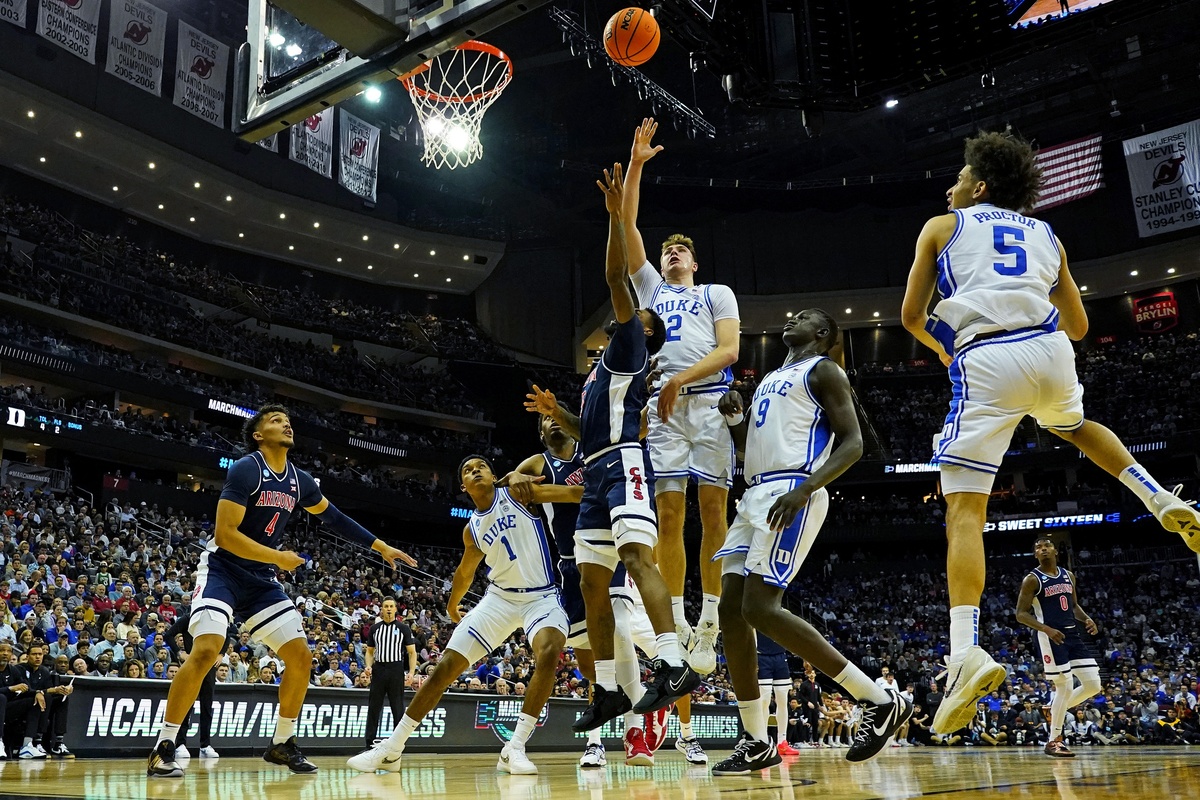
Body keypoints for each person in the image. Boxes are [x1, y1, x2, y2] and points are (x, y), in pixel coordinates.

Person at [899, 130, 1200, 736]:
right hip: (1049, 349)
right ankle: (1158, 496)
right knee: (1076, 425)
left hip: (987, 358)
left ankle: (964, 653)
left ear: (979, 186)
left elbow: (911, 317)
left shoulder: (941, 226)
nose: (951, 186)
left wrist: (948, 345)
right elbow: (1081, 326)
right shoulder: (1048, 234)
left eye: (959, 177)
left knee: (964, 510)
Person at [147, 404, 415, 778]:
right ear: (258, 435)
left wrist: (380, 546)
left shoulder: (299, 480)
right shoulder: (246, 468)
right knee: (207, 649)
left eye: (288, 421)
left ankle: (282, 743)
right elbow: (225, 534)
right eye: (276, 421)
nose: (286, 424)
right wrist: (277, 556)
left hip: (260, 580)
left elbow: (334, 517)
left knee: (301, 657)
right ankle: (164, 746)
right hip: (223, 570)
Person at [529, 163, 698, 734]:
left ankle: (672, 662)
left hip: (625, 463)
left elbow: (613, 277)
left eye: (637, 313)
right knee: (590, 579)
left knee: (636, 559)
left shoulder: (630, 343)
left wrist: (614, 219)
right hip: (596, 465)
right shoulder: (601, 370)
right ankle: (606, 690)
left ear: (645, 330)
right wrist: (558, 413)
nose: (627, 312)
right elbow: (587, 430)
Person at [710, 309, 912, 775]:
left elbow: (854, 443)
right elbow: (750, 450)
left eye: (804, 317)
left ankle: (879, 700)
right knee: (731, 611)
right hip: (755, 492)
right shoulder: (770, 378)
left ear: (822, 333)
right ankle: (756, 740)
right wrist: (737, 420)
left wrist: (804, 490)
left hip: (792, 489)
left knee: (760, 608)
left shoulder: (824, 370)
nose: (791, 319)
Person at [347, 455, 577, 775]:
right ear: (464, 487)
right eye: (468, 470)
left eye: (481, 466)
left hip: (542, 596)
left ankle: (514, 747)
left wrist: (606, 489)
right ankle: (392, 749)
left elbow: (572, 494)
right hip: (499, 599)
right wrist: (452, 606)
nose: (475, 471)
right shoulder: (473, 529)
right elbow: (465, 572)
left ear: (494, 475)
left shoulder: (518, 492)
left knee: (550, 651)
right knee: (445, 667)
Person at [622, 119, 740, 674]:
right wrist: (637, 165)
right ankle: (675, 619)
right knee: (669, 517)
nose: (671, 254)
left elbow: (729, 351)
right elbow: (627, 224)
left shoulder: (716, 292)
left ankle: (710, 619)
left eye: (679, 251)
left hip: (709, 402)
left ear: (694, 263)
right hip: (665, 411)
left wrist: (676, 378)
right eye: (667, 249)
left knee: (713, 512)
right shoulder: (651, 288)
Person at [1014, 534, 1101, 758]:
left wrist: (1087, 619)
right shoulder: (1032, 579)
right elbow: (1021, 614)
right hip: (1050, 637)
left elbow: (1074, 606)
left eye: (1047, 545)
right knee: (1065, 686)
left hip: (1072, 635)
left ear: (1055, 551)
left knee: (1093, 684)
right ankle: (1054, 740)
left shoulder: (1068, 575)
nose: (1043, 549)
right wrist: (1046, 629)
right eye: (1039, 547)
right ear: (1035, 554)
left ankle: (1053, 709)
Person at [165, 610, 234, 760]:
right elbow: (168, 635)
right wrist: (180, 653)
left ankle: (205, 745)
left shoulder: (215, 618)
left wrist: (221, 654)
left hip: (209, 668)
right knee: (186, 706)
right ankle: (180, 744)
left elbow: (226, 635)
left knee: (207, 707)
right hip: (192, 666)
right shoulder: (188, 618)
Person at [363, 598, 417, 749]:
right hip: (379, 669)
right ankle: (369, 744)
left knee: (398, 708)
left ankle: (398, 744)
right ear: (381, 609)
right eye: (385, 606)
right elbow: (369, 651)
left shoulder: (403, 628)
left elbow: (412, 652)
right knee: (374, 707)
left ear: (395, 609)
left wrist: (411, 672)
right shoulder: (375, 628)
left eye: (391, 606)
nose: (388, 609)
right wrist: (368, 666)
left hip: (396, 669)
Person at [757, 631, 798, 755]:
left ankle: (782, 741)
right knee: (764, 701)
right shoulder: (755, 619)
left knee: (783, 701)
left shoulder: (782, 617)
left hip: (780, 656)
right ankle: (763, 741)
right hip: (761, 656)